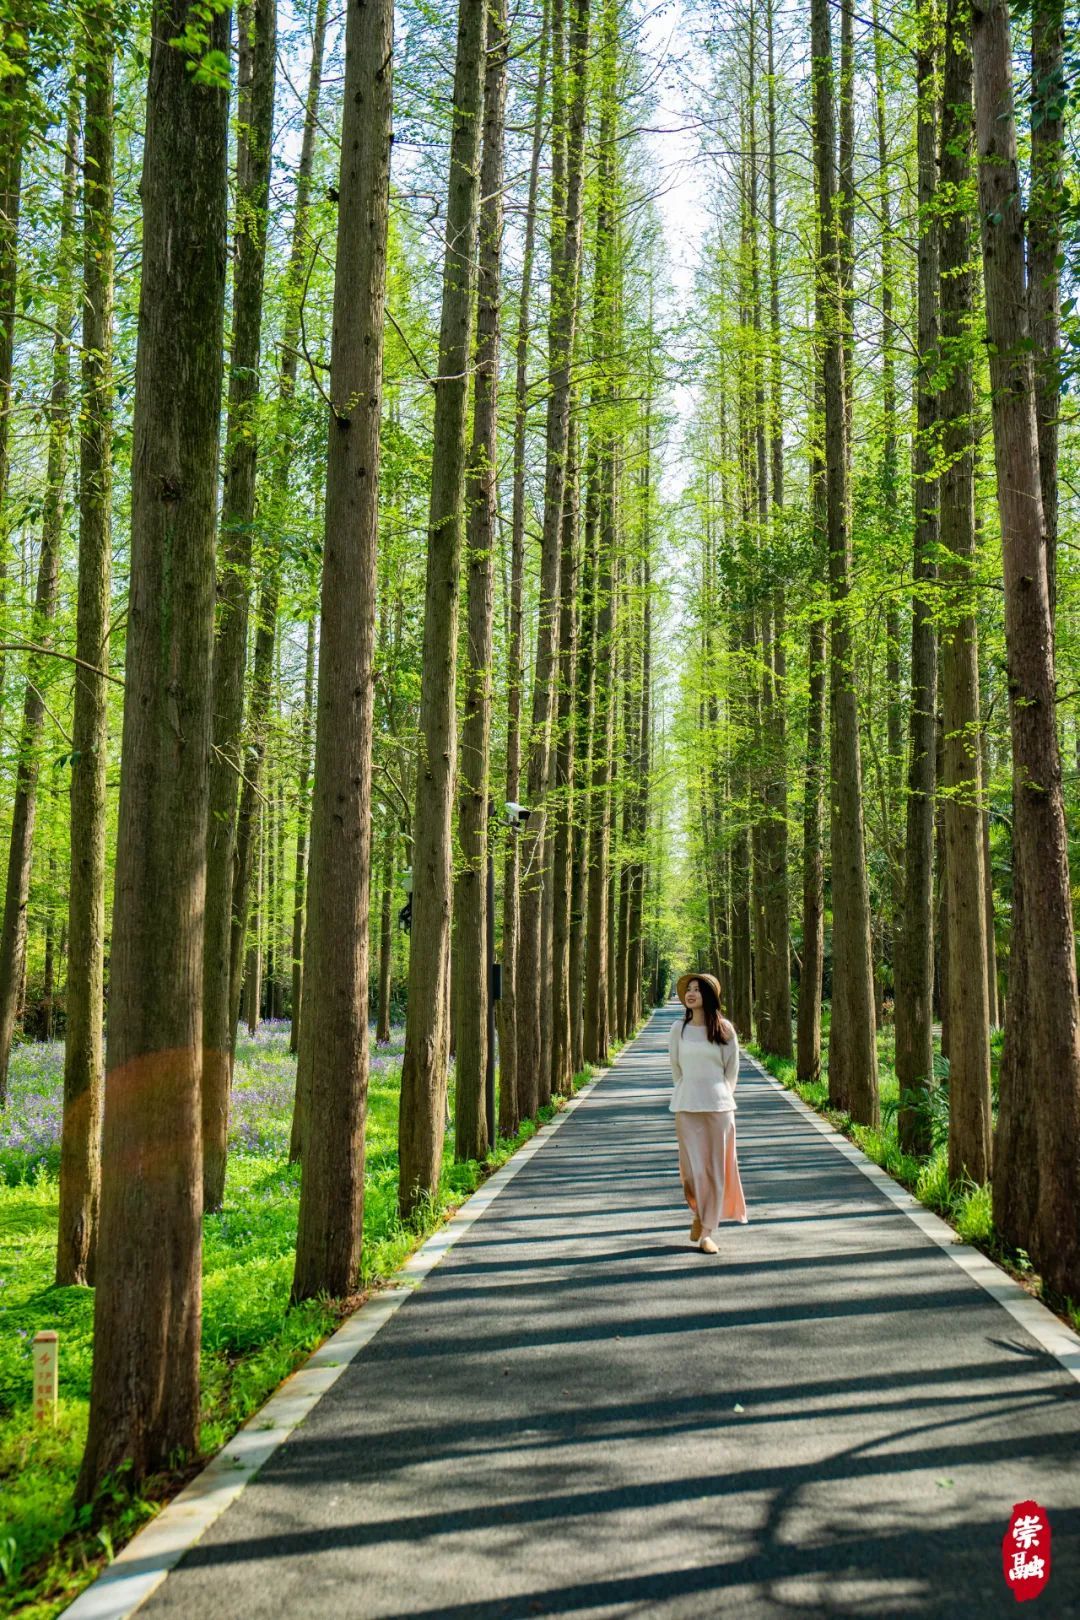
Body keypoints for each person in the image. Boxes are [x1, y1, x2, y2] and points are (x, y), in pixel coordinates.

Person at [668, 972, 748, 1253]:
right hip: (686, 1107)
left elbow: (731, 1071)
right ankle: (700, 1214)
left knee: (715, 1171)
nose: (690, 994)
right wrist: (689, 1089)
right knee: (691, 1172)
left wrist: (719, 1096)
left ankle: (707, 1233)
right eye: (688, 990)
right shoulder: (678, 1029)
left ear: (709, 996)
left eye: (697, 990)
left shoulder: (724, 1029)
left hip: (719, 1109)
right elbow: (676, 1069)